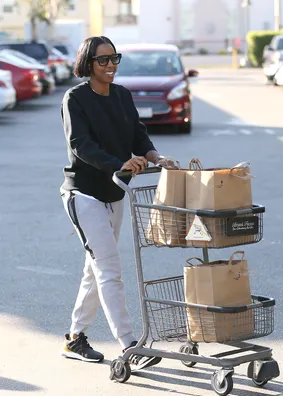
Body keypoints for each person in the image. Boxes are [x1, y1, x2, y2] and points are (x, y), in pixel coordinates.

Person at [60, 36, 174, 369]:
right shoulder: (75, 99)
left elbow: (137, 134)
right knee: (110, 270)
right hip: (83, 195)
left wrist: (154, 155)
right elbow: (80, 145)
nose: (110, 66)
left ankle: (74, 338)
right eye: (103, 60)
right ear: (87, 63)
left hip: (115, 193)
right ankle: (130, 344)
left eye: (114, 59)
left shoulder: (122, 95)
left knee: (94, 270)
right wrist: (119, 163)